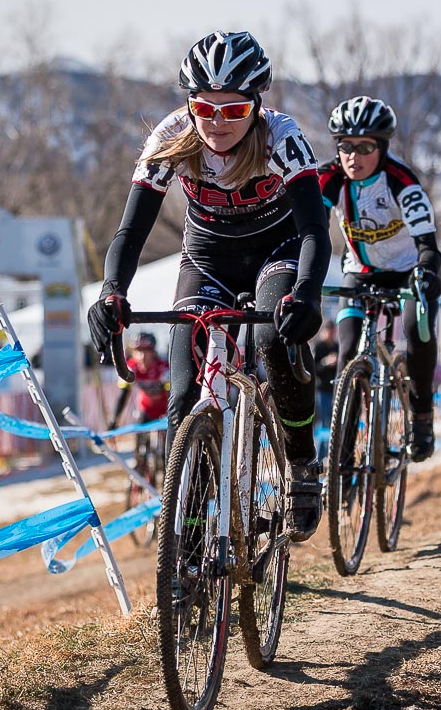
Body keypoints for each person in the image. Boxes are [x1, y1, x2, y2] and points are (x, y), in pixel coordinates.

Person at [86, 31, 332, 541]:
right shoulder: (171, 138)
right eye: (206, 108)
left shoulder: (282, 138)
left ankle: (302, 464)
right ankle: (190, 527)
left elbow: (313, 231)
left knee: (272, 339)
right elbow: (130, 232)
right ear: (189, 104)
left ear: (256, 105)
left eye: (234, 111)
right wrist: (112, 290)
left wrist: (307, 292)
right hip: (208, 259)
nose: (217, 123)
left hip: (277, 253)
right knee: (182, 392)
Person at [318, 95, 441, 461]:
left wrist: (427, 272)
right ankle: (341, 456)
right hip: (360, 272)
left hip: (407, 272)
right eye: (346, 146)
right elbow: (312, 231)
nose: (353, 156)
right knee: (347, 348)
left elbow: (429, 245)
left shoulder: (401, 181)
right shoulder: (329, 179)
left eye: (365, 147)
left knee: (418, 333)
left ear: (383, 147)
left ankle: (421, 417)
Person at [108, 333, 170, 430]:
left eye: (147, 351)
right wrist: (115, 420)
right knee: (140, 430)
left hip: (165, 408)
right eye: (139, 350)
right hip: (146, 407)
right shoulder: (130, 368)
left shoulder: (163, 368)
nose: (142, 356)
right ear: (133, 353)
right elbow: (123, 396)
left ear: (153, 352)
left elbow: (172, 395)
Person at [312, 322, 337, 434]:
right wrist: (325, 363)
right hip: (322, 390)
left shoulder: (336, 347)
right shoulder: (319, 347)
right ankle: (322, 451)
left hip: (334, 389)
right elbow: (313, 369)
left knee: (332, 422)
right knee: (323, 422)